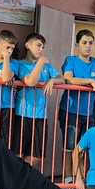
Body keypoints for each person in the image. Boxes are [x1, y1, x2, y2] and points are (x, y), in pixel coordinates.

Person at [60, 30, 95, 186]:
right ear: (77, 45)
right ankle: (68, 181)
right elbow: (69, 79)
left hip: (88, 114)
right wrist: (91, 82)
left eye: (91, 43)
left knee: (85, 147)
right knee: (69, 148)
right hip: (70, 111)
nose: (88, 46)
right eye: (84, 42)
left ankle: (82, 180)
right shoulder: (71, 60)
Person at [13, 33, 63, 168]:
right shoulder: (21, 64)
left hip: (41, 115)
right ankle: (17, 176)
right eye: (38, 45)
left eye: (43, 47)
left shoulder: (47, 66)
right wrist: (40, 62)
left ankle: (20, 174)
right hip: (22, 114)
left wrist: (52, 80)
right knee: (17, 152)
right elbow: (30, 81)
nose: (41, 49)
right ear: (27, 45)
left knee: (37, 155)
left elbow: (61, 78)